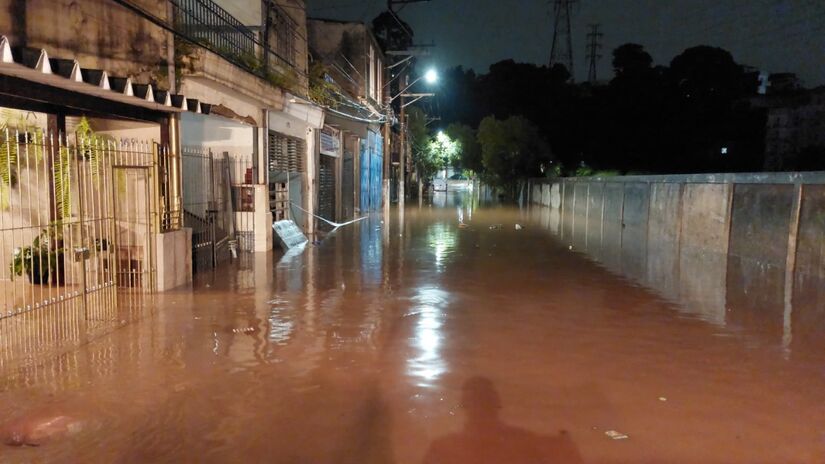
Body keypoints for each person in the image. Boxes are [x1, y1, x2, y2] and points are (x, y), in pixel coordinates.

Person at [423, 377, 583, 464]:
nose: (481, 407)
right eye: (478, 400)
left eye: (484, 400)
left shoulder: (444, 447)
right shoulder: (525, 441)